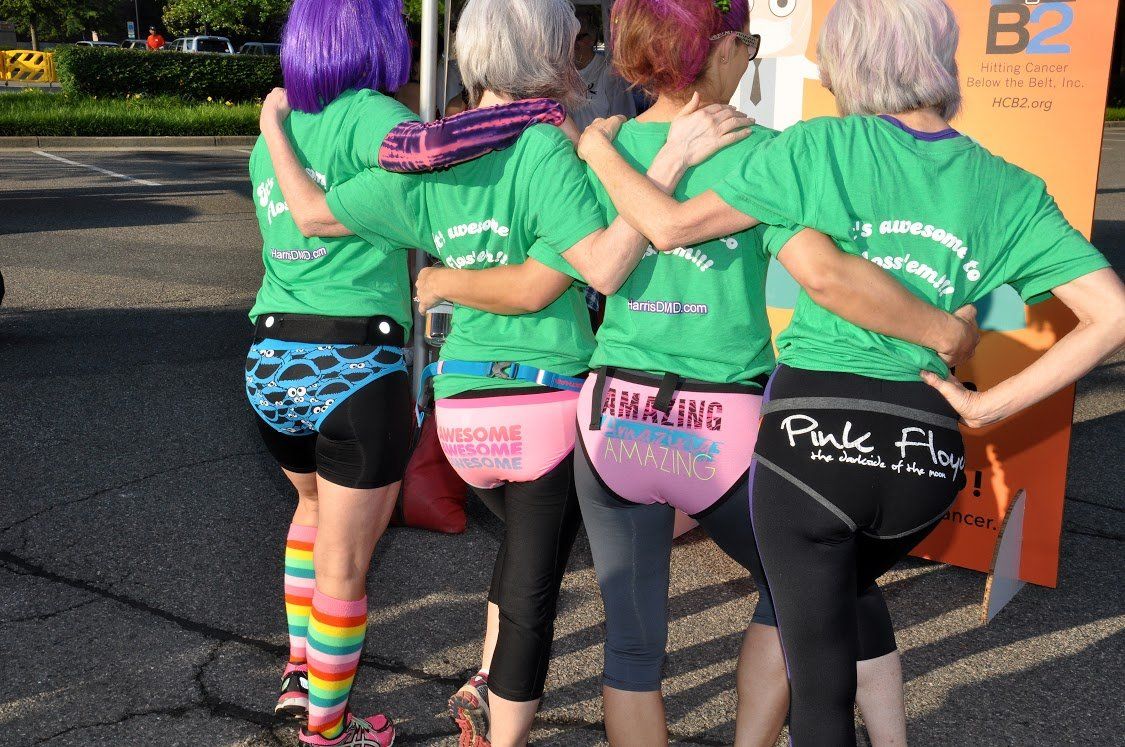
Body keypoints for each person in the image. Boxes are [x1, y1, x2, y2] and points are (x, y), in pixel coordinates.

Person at [415, 1, 977, 745]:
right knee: (807, 593)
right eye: (743, 40)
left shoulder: (600, 144)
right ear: (708, 51)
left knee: (632, 651)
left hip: (613, 419)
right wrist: (942, 329)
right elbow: (832, 274)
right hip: (724, 430)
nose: (750, 54)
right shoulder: (766, 150)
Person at [577, 0, 1125, 743]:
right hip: (924, 458)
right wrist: (990, 404)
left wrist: (600, 152)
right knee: (844, 600)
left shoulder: (815, 149)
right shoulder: (1011, 187)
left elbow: (671, 229)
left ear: (851, 60)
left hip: (809, 448)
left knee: (821, 691)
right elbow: (1112, 315)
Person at [256, 2, 757, 744]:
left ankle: (475, 684)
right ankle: (498, 725)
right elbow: (605, 265)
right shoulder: (545, 151)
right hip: (545, 408)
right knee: (531, 593)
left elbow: (312, 214)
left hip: (460, 416)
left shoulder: (424, 162)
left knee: (515, 562)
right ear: (552, 49)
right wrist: (657, 161)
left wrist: (271, 125)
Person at [248, 1, 567, 745]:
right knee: (346, 566)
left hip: (269, 361)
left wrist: (268, 123)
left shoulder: (282, 130)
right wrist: (530, 116)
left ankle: (302, 678)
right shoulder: (363, 115)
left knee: (311, 518)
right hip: (352, 365)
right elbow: (428, 147)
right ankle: (328, 730)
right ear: (377, 39)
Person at [571, 9, 637, 131]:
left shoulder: (610, 72)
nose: (573, 43)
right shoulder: (563, 73)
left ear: (592, 38)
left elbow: (625, 119)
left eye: (578, 37)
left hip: (601, 145)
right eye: (570, 37)